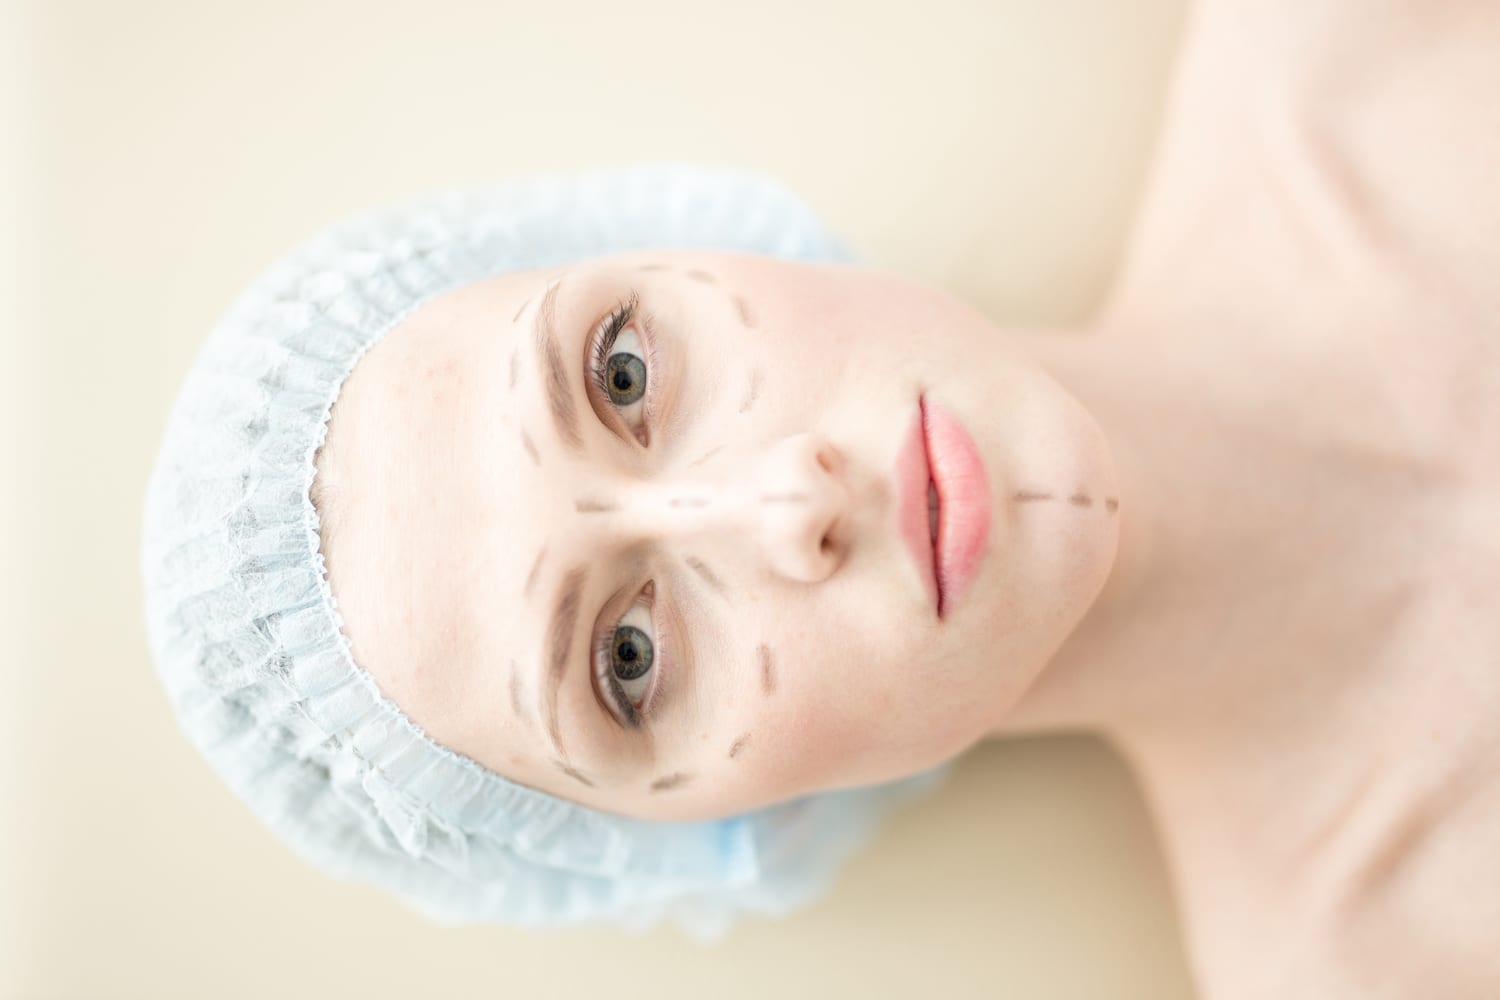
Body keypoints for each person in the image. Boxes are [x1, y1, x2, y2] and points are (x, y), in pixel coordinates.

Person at [142, 2, 1499, 994]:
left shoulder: (1356, 45)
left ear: (684, 239)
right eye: (630, 659)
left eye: (624, 373)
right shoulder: (1382, 967)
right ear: (704, 834)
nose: (786, 506)